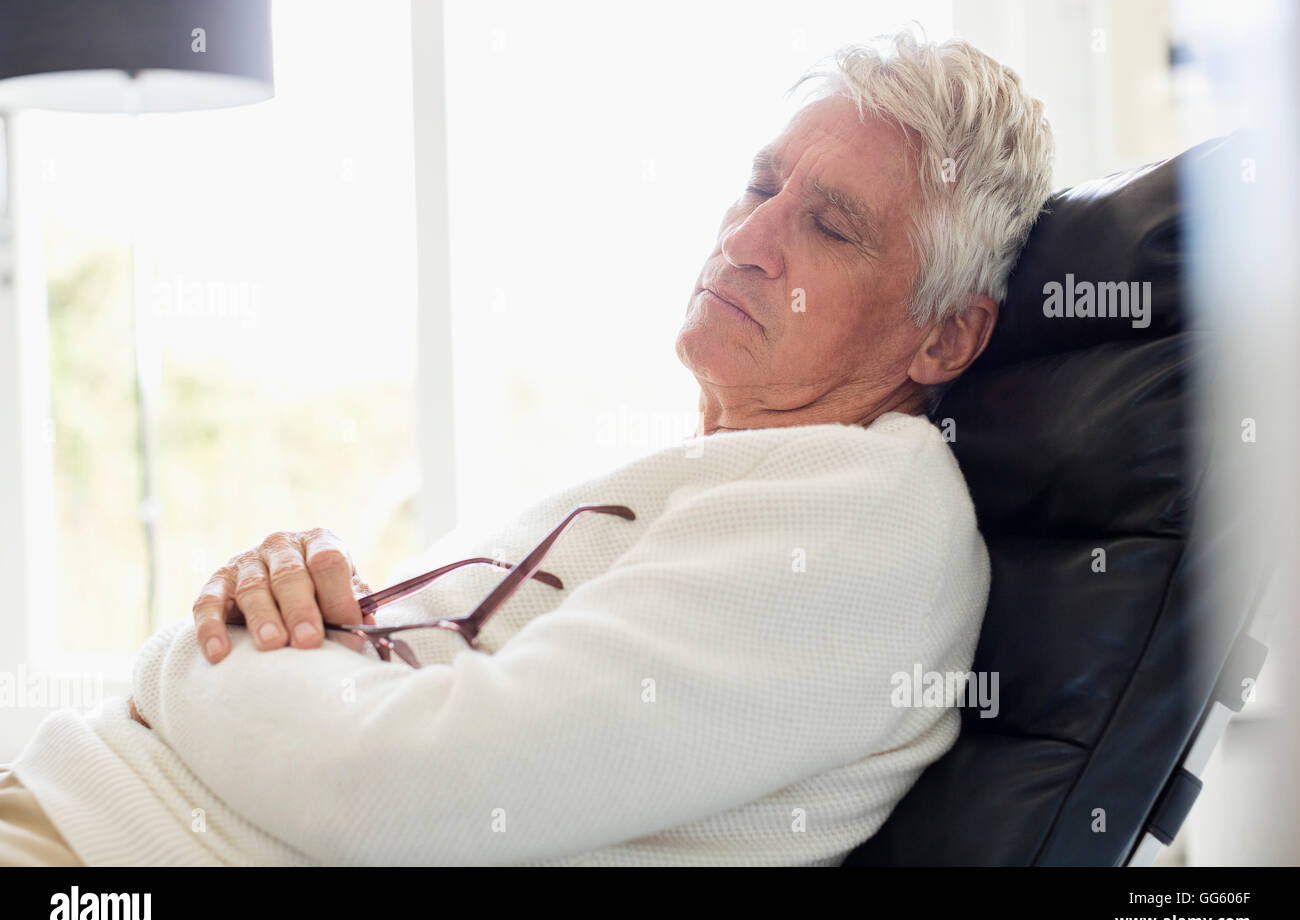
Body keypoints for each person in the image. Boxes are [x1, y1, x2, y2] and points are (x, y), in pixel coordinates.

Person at [1, 28, 1053, 865]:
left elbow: (407, 789)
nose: (743, 240)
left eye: (829, 226)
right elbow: (412, 691)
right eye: (757, 184)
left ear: (945, 333)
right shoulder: (732, 476)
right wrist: (285, 599)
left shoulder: (857, 516)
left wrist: (194, 660)